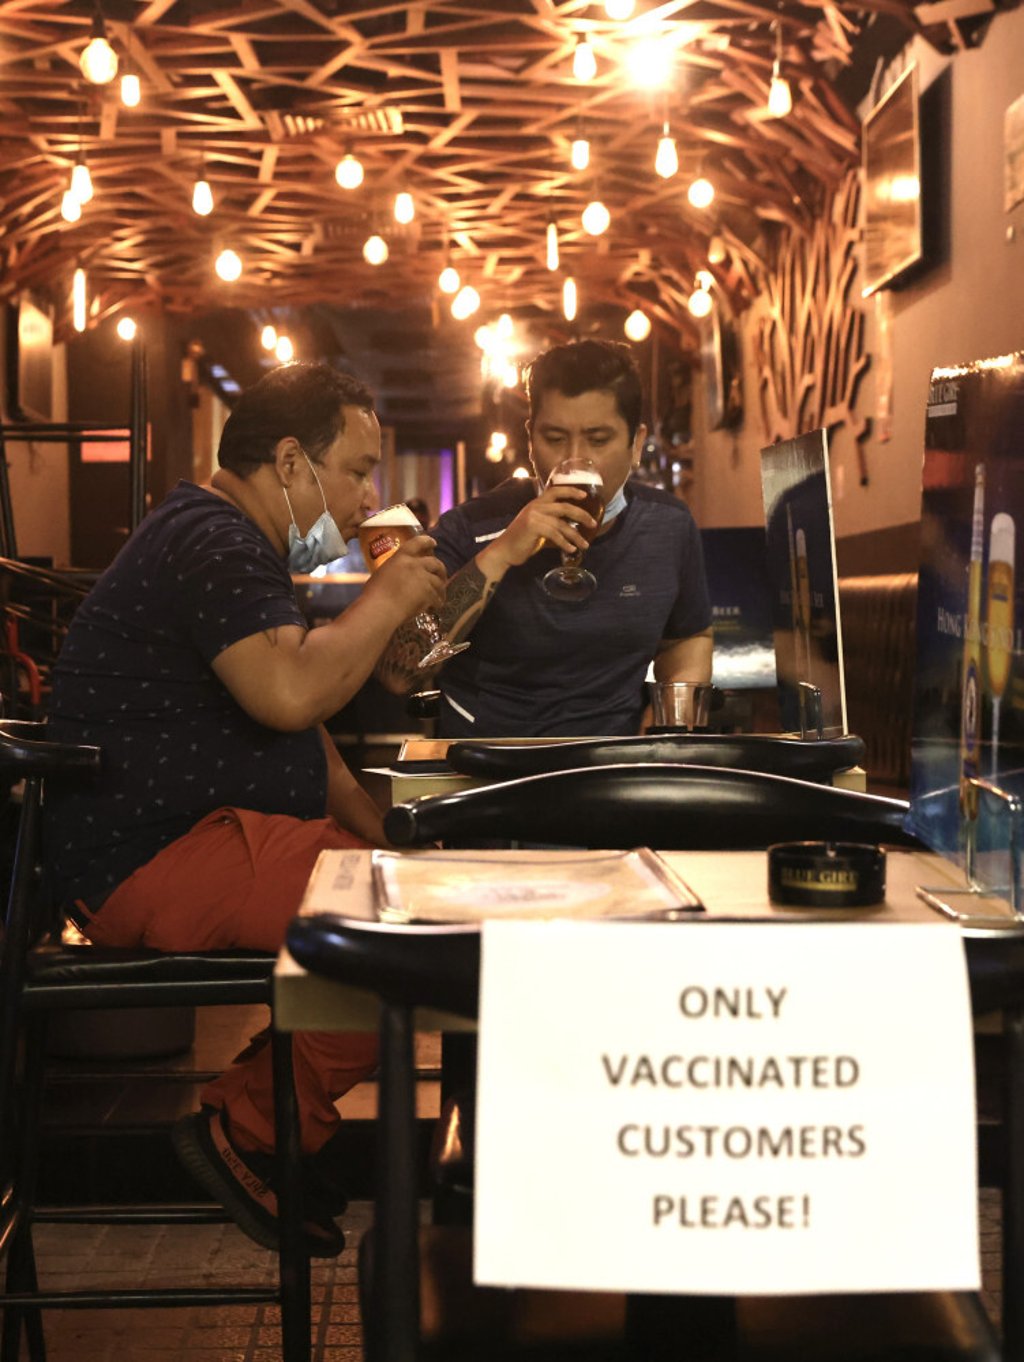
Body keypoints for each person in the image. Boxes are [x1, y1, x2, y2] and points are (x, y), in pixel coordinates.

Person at [44, 362, 445, 1256]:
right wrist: (386, 598)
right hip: (150, 858)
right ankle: (249, 1128)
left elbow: (307, 743)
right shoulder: (213, 538)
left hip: (188, 844)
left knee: (404, 893)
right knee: (400, 928)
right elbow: (289, 696)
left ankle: (263, 1122)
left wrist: (380, 832)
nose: (366, 499)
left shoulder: (228, 539)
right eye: (357, 470)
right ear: (294, 462)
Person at [377, 338, 713, 736]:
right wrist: (501, 554)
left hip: (611, 767)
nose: (573, 458)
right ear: (530, 440)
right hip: (490, 768)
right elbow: (399, 673)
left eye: (598, 439)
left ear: (636, 443)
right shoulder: (472, 527)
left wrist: (666, 733)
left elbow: (687, 638)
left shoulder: (668, 526)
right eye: (554, 439)